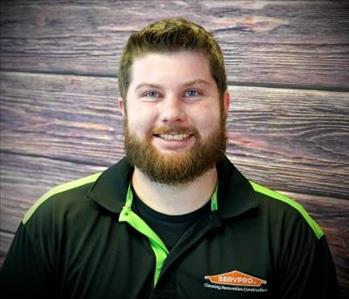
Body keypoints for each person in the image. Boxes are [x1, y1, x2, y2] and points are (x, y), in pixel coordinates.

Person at [0, 17, 340, 299]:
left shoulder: (290, 232)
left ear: (224, 105)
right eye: (151, 94)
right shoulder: (53, 220)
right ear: (124, 109)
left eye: (192, 93)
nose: (172, 113)